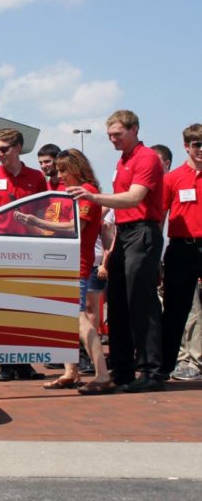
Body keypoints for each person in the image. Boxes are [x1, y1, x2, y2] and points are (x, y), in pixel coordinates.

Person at [69, 109, 166, 393]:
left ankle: (151, 372)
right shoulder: (123, 160)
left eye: (118, 134)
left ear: (134, 129)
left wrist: (92, 197)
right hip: (124, 233)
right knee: (119, 303)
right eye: (109, 135)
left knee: (141, 302)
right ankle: (122, 371)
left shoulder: (146, 158)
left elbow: (135, 197)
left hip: (143, 231)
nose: (112, 140)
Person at [15, 149, 112, 393]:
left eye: (63, 170)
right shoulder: (68, 192)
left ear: (76, 168)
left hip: (76, 263)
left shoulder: (87, 191)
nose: (59, 175)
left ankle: (102, 374)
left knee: (79, 319)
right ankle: (71, 371)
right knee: (65, 319)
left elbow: (74, 227)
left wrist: (36, 223)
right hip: (62, 262)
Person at [0, 127, 48, 381]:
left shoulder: (36, 178)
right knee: (3, 308)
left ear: (18, 148)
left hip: (30, 248)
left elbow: (44, 213)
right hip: (1, 248)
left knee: (29, 308)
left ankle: (26, 363)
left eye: (4, 149)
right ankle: (6, 364)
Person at [160, 124, 202, 380]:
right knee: (176, 310)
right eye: (197, 144)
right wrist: (155, 258)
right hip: (181, 249)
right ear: (186, 146)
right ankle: (163, 368)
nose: (201, 149)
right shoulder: (172, 179)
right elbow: (159, 217)